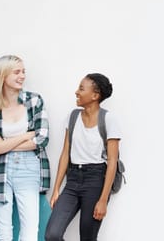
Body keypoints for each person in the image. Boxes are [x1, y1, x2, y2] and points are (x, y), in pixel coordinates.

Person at [0, 55, 50, 241]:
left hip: (28, 167)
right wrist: (25, 135)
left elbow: (41, 139)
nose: (22, 76)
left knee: (29, 231)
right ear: (3, 75)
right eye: (17, 72)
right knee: (3, 232)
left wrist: (3, 143)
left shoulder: (34, 101)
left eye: (23, 72)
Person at [45, 73, 121, 241]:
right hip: (72, 181)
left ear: (95, 95)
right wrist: (57, 189)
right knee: (52, 235)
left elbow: (112, 162)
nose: (76, 92)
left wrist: (103, 199)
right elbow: (65, 154)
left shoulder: (109, 119)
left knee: (87, 237)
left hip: (96, 181)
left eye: (81, 88)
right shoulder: (72, 117)